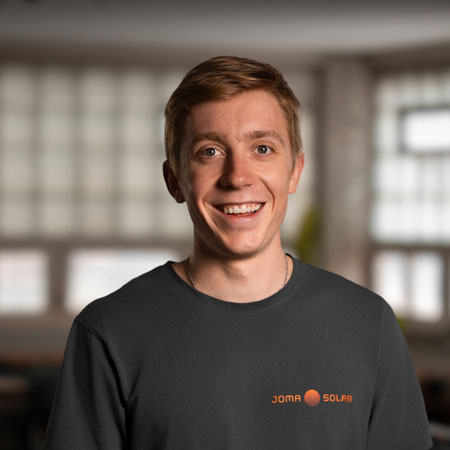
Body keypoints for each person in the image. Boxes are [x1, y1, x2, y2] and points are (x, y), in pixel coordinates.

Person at [42, 56, 433, 450]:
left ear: (294, 170)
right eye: (209, 152)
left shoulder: (369, 324)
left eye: (262, 148)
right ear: (174, 179)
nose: (238, 177)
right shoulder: (109, 331)